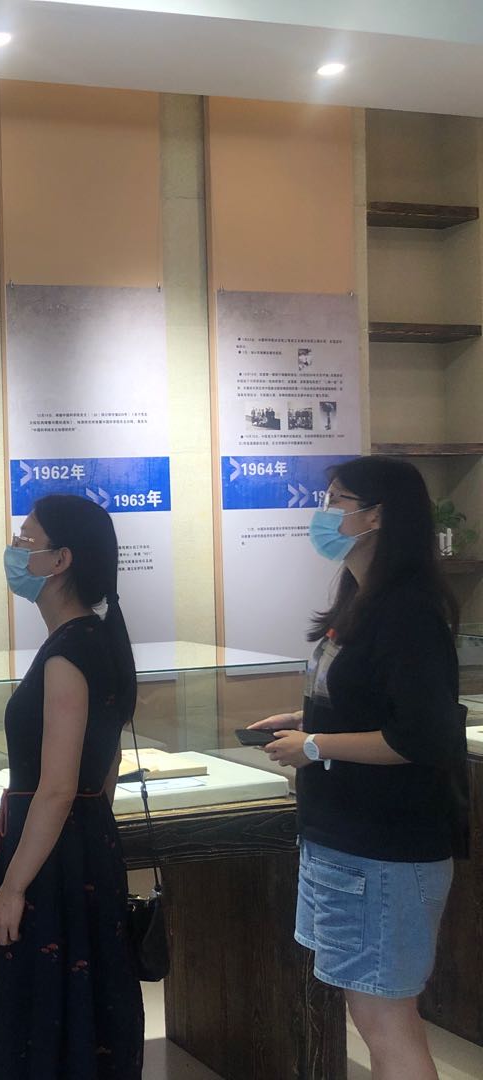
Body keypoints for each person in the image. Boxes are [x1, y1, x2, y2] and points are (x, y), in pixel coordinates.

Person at [248, 457, 465, 1080]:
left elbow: (420, 737)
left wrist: (316, 744)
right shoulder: (359, 600)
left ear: (377, 517)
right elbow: (370, 701)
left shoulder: (409, 610)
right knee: (371, 1013)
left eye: (338, 500)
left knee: (386, 1021)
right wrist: (304, 720)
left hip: (385, 850)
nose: (323, 513)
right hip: (344, 841)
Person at [0, 493, 144, 1079]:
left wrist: (13, 886)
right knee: (86, 1008)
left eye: (26, 539)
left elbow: (56, 788)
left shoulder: (68, 654)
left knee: (42, 1011)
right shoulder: (98, 639)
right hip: (86, 845)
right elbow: (106, 768)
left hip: (51, 859)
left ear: (60, 559)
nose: (15, 549)